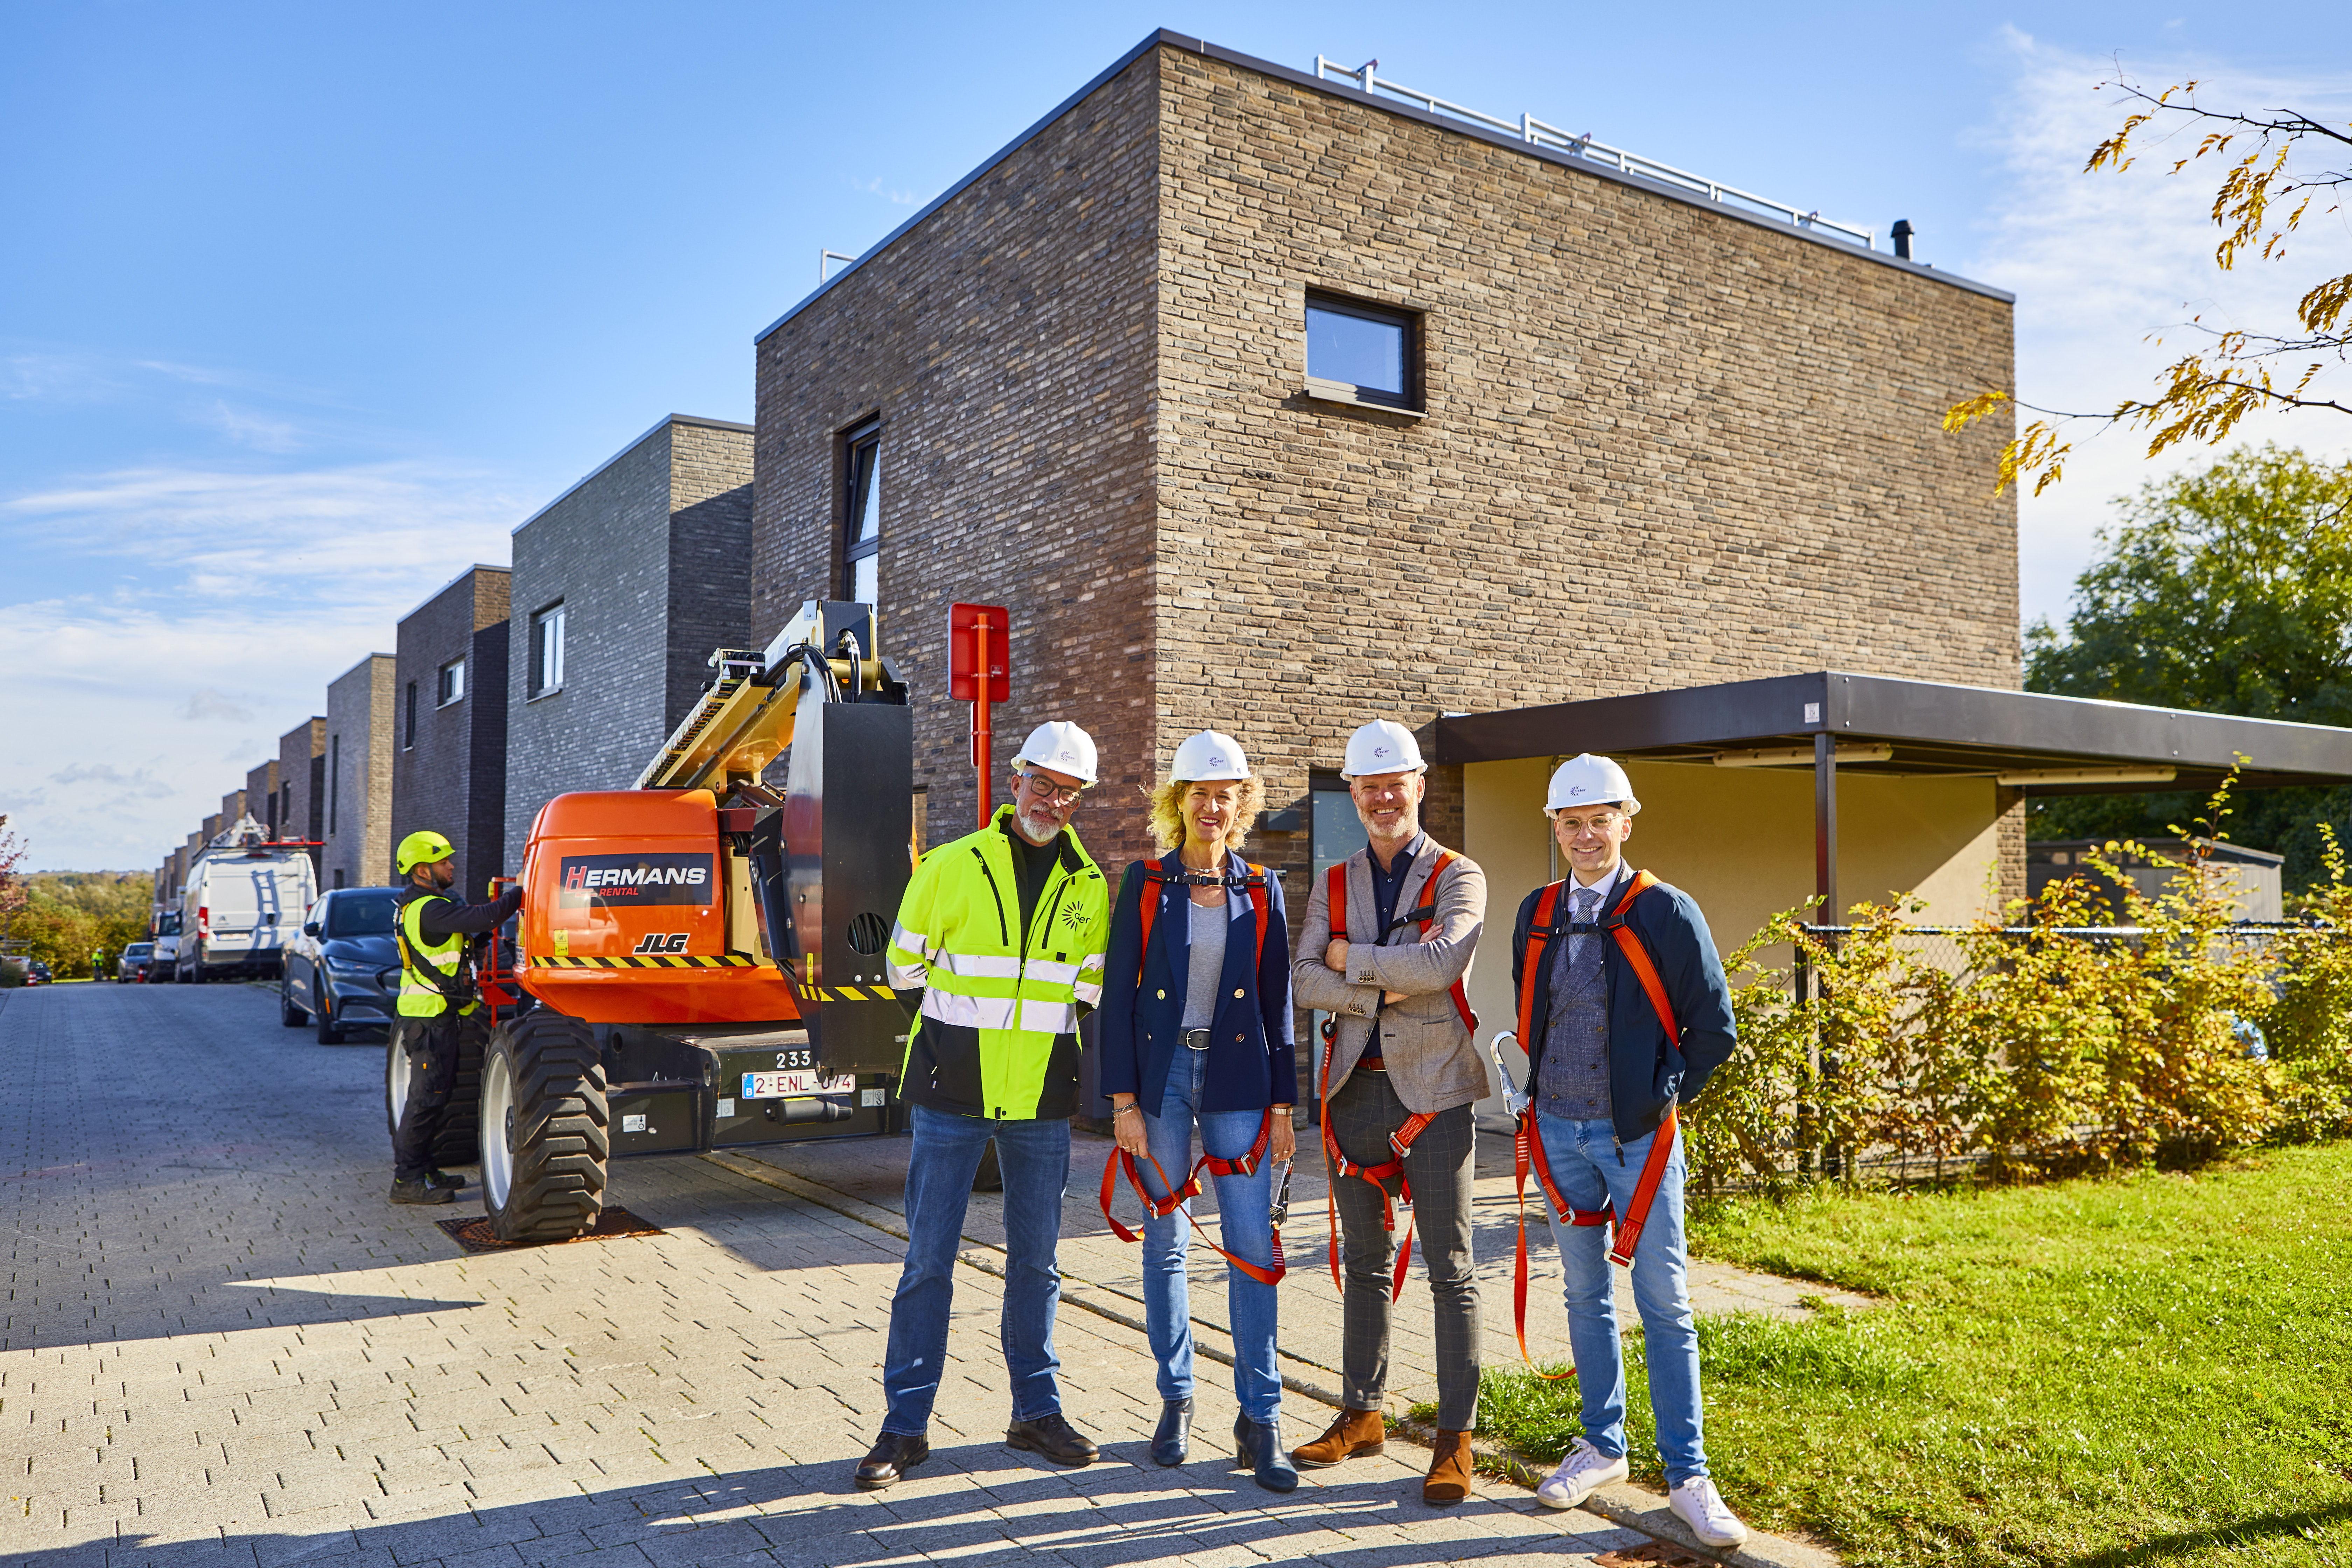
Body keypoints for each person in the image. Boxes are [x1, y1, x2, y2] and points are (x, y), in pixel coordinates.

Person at [859, 721, 1113, 1491]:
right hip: (950, 1097)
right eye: (1044, 783)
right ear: (1016, 780)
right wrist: (955, 1048)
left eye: (1069, 791)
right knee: (927, 1261)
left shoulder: (1090, 886)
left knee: (1037, 1264)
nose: (1054, 800)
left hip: (1040, 1100)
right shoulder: (948, 866)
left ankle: (1035, 1411)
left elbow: (1087, 995)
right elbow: (904, 971)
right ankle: (905, 1426)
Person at [1507, 754, 1747, 1549]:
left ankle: (1689, 1477)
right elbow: (1533, 1011)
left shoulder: (1667, 913)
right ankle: (1604, 1448)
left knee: (1666, 1306)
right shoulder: (1537, 913)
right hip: (1559, 1136)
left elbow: (1714, 1030)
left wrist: (1658, 1092)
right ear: (1555, 828)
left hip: (1639, 1140)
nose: (1584, 835)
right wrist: (1533, 1102)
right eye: (1570, 823)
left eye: (1598, 820)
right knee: (1584, 1297)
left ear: (1626, 821)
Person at [1289, 719, 1489, 1505]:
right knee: (1366, 1264)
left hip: (1435, 1094)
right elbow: (1306, 978)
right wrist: (1386, 978)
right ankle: (1362, 1414)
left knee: (1451, 1268)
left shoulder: (1457, 874)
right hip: (1354, 1093)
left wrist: (1352, 960)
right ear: (1354, 792)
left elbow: (1445, 962)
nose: (1380, 796)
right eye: (1366, 785)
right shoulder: (1335, 881)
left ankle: (1454, 1439)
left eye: (1393, 781)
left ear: (1418, 784)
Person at [1098, 731, 1298, 1491]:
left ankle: (1263, 1417)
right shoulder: (1145, 884)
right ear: (1177, 801)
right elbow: (1118, 998)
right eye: (1199, 793)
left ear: (1240, 803)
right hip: (1163, 1078)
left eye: (1226, 794)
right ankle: (1177, 1398)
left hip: (1242, 1078)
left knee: (1253, 1248)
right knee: (1166, 1243)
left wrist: (1284, 1103)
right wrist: (1123, 1100)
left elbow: (1278, 1003)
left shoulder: (1263, 889)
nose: (1212, 806)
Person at [390, 830, 522, 1206]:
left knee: (438, 1096)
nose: (451, 866)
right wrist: (521, 890)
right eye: (444, 861)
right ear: (422, 870)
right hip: (428, 1020)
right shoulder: (429, 908)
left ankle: (425, 1167)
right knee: (424, 1100)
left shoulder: (426, 905)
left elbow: (465, 935)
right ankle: (406, 1181)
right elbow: (487, 914)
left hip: (436, 1016)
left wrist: (480, 938)